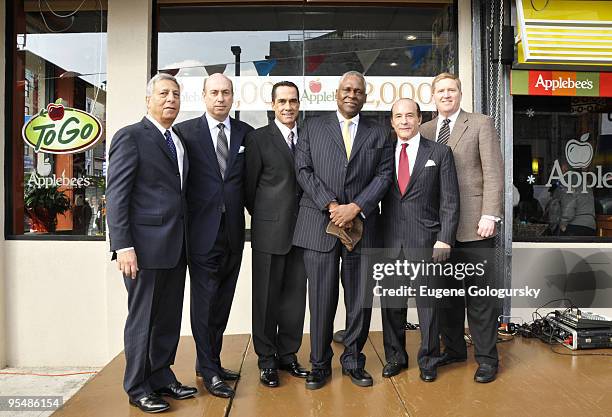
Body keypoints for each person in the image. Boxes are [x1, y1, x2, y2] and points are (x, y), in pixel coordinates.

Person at [293, 71, 393, 390]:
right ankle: (319, 364)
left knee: (358, 298)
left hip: (361, 227)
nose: (352, 94)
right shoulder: (313, 127)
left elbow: (384, 175)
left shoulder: (379, 133)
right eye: (347, 89)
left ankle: (352, 360)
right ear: (337, 93)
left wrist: (356, 206)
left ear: (365, 96)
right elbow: (303, 170)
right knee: (322, 299)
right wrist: (332, 205)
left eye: (358, 90)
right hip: (320, 225)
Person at [106, 73, 196, 413]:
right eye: (163, 93)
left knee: (169, 318)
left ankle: (161, 375)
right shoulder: (131, 137)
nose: (170, 99)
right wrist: (123, 245)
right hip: (142, 249)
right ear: (148, 99)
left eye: (175, 94)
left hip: (176, 246)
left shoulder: (179, 140)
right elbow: (116, 196)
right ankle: (137, 385)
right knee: (142, 319)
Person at [420, 72, 504, 383]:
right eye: (440, 90)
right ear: (433, 95)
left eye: (451, 89)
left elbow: (494, 171)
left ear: (460, 92)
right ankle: (454, 349)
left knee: (480, 298)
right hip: (439, 230)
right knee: (446, 297)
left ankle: (486, 359)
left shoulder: (480, 123)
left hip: (474, 225)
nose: (446, 95)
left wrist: (490, 214)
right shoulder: (425, 130)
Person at [174, 73, 253, 399]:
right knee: (204, 304)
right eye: (214, 92)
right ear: (204, 96)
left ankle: (212, 362)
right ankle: (208, 370)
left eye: (226, 93)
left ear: (233, 97)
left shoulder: (246, 133)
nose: (220, 98)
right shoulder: (185, 133)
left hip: (234, 232)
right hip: (200, 233)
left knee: (221, 303)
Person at [380, 98, 459, 382]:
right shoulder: (382, 153)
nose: (404, 121)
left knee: (428, 306)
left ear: (419, 119)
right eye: (398, 116)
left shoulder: (439, 152)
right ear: (391, 121)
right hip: (389, 241)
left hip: (426, 240)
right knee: (392, 306)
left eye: (409, 116)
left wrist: (445, 239)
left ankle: (428, 359)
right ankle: (395, 358)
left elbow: (449, 201)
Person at [245, 81, 309, 388]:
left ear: (299, 104)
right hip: (269, 232)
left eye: (293, 101)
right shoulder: (258, 139)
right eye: (282, 101)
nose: (288, 106)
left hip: (304, 233)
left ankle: (288, 355)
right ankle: (267, 360)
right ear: (273, 105)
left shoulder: (308, 136)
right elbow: (249, 189)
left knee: (295, 300)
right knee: (266, 299)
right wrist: (267, 218)